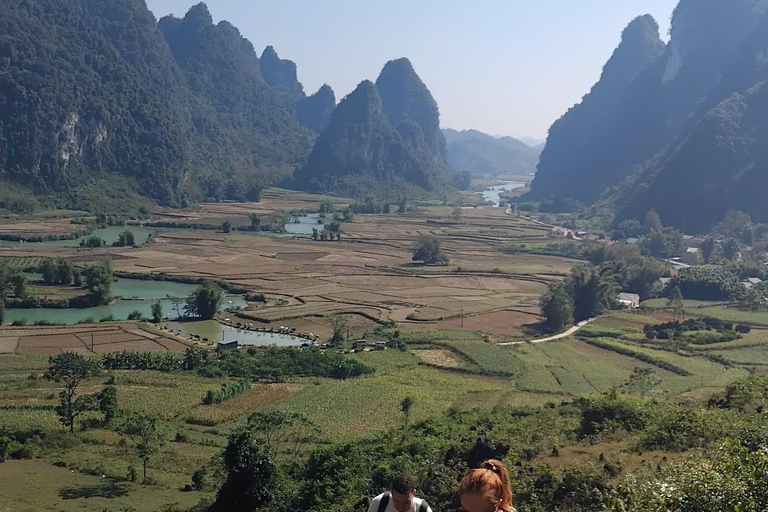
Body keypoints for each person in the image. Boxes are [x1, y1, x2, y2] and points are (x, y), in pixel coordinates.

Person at [368, 474, 432, 512]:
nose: (401, 507)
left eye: (406, 502)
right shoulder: (379, 504)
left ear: (414, 494)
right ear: (391, 493)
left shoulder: (423, 509)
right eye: (397, 501)